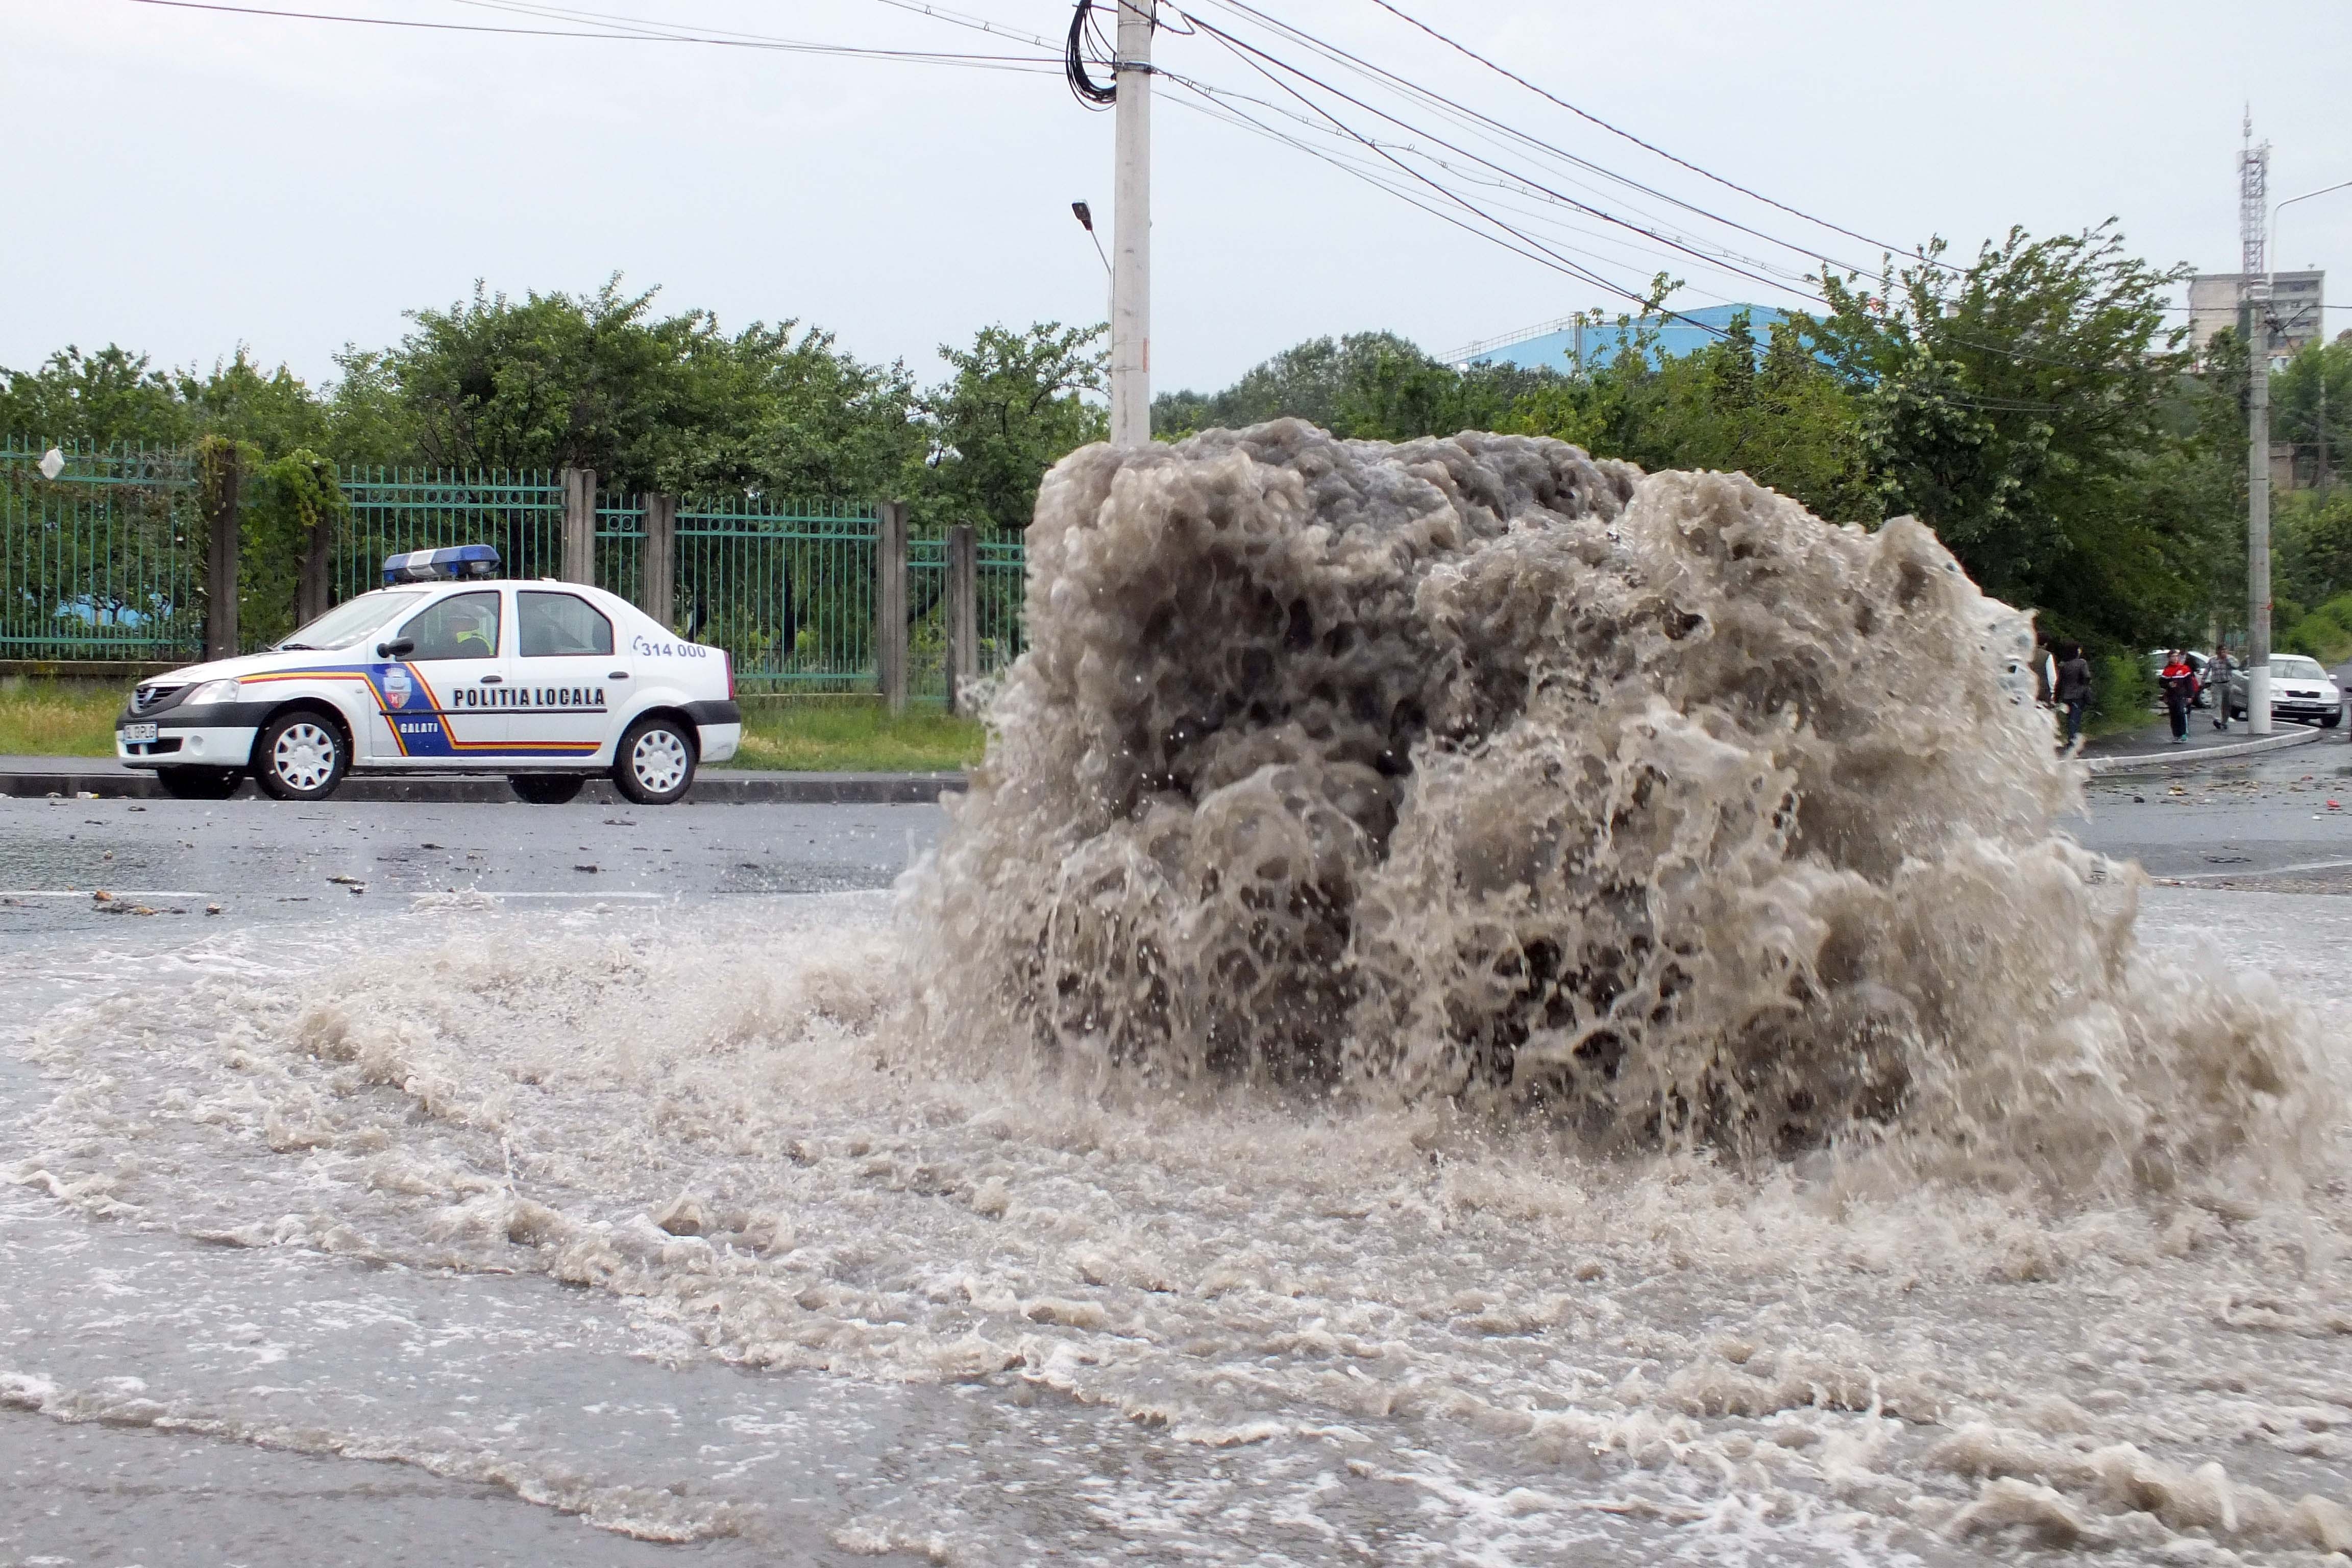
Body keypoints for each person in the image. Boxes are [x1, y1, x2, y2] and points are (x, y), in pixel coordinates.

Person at [2055, 644, 2093, 748]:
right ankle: (2073, 741)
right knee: (2075, 718)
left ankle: (2070, 739)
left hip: (2067, 696)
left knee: (2070, 719)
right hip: (2079, 695)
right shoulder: (2082, 663)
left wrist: (2057, 697)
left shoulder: (2064, 665)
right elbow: (2087, 677)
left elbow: (2060, 682)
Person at [2160, 650, 2195, 743]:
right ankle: (2176, 735)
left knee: (2181, 713)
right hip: (2172, 696)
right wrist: (2169, 685)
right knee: (2174, 715)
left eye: (2176, 656)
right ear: (2169, 658)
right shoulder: (2167, 670)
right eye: (2173, 656)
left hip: (2182, 696)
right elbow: (2162, 683)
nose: (2175, 658)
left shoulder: (2185, 669)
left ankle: (2183, 734)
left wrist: (2190, 695)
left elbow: (2189, 684)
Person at [2206, 644, 2234, 730]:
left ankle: (2224, 722)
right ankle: (2217, 720)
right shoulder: (2212, 660)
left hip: (2227, 684)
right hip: (2216, 684)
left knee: (2227, 704)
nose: (2223, 653)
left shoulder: (2230, 659)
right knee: (2216, 702)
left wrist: (2227, 659)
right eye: (2221, 651)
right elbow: (2207, 670)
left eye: (2225, 651)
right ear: (2217, 652)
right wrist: (2203, 681)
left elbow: (2236, 666)